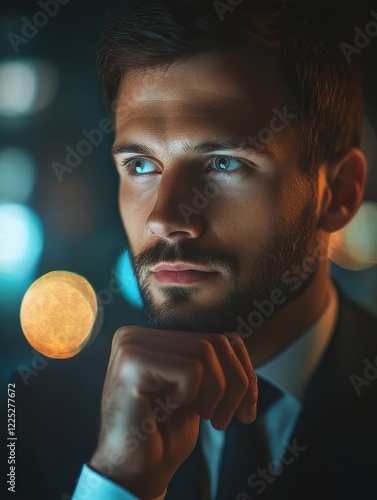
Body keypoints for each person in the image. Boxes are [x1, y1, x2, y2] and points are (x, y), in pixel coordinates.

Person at [12, 0, 377, 499]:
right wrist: (116, 483)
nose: (164, 217)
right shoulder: (28, 413)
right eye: (141, 165)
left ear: (338, 193)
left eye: (224, 163)